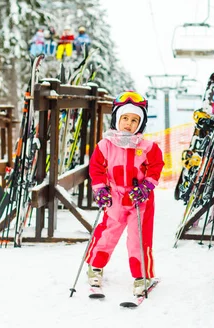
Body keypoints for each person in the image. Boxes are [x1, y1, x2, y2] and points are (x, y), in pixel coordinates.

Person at [86, 91, 165, 298]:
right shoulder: (105, 145)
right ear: (117, 119)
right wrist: (101, 189)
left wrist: (146, 186)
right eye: (125, 118)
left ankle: (142, 276)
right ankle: (95, 266)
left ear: (140, 123)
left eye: (134, 120)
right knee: (107, 233)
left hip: (140, 200)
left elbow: (156, 166)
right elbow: (96, 168)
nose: (129, 123)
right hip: (115, 198)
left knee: (138, 238)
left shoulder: (147, 147)